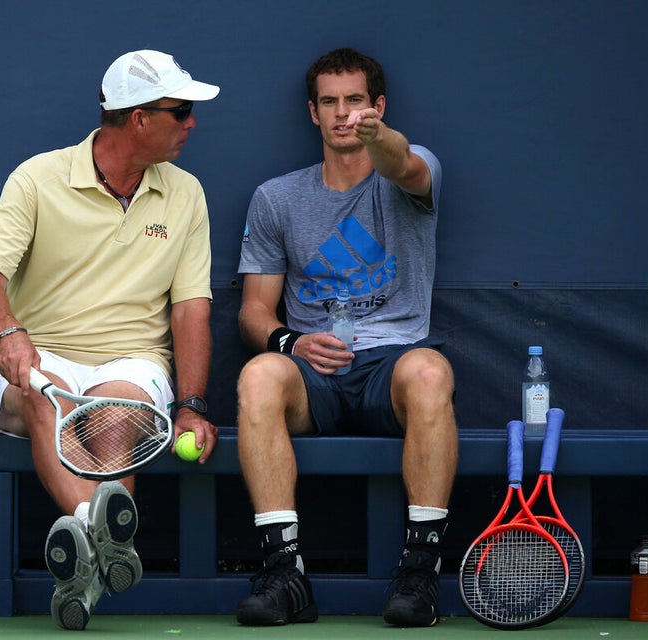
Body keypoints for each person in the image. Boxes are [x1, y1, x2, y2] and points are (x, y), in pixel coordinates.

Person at [0, 49, 220, 631]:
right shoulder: (36, 178)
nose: (191, 124)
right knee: (43, 394)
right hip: (40, 352)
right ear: (138, 118)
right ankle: (107, 543)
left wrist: (192, 405)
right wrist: (8, 332)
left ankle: (83, 558)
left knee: (117, 416)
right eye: (180, 112)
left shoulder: (187, 194)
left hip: (133, 362)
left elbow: (190, 310)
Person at [234, 47, 458, 627]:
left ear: (377, 106)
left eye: (355, 101)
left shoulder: (410, 167)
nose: (343, 115)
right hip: (316, 370)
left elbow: (402, 163)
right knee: (258, 375)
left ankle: (420, 573)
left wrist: (380, 137)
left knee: (431, 372)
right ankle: (286, 575)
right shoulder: (277, 198)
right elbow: (255, 311)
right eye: (330, 103)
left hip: (393, 364)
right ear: (313, 113)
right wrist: (291, 344)